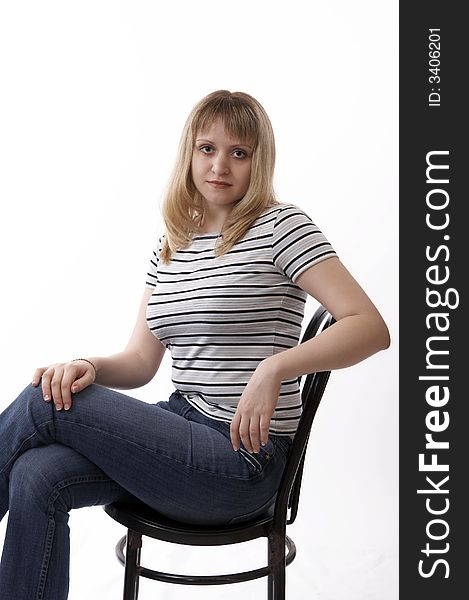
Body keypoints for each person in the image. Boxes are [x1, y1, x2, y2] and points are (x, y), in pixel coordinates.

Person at [0, 89, 390, 599]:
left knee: (42, 403)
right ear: (189, 154)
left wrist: (274, 368)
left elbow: (369, 326)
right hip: (180, 429)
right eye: (207, 148)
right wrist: (86, 363)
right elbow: (141, 361)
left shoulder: (281, 227)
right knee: (35, 472)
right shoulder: (173, 240)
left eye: (239, 152)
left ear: (258, 161)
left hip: (240, 458)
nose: (220, 165)